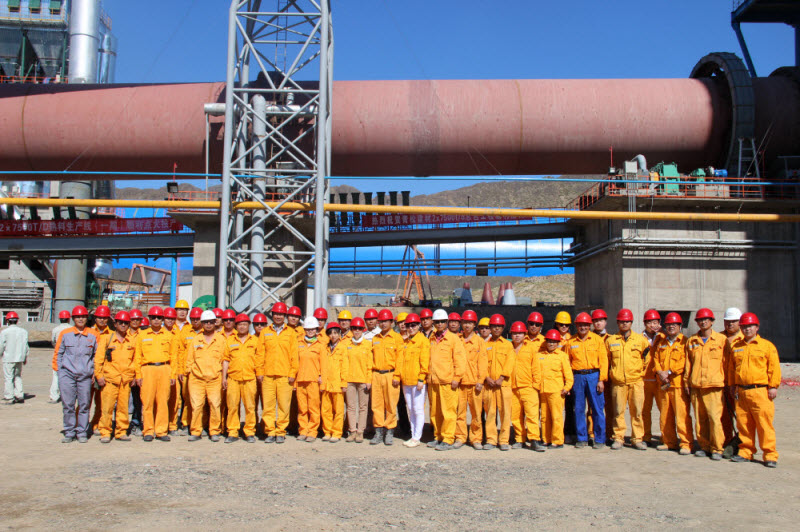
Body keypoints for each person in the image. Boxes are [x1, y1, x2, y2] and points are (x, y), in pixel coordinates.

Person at [726, 313, 781, 468]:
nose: (747, 329)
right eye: (744, 326)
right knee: (744, 424)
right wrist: (732, 385)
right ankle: (746, 452)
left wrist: (773, 386)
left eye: (750, 326)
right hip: (742, 391)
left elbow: (774, 368)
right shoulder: (736, 347)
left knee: (764, 424)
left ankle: (770, 455)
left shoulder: (767, 346)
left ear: (757, 327)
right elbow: (731, 369)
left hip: (760, 391)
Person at [684, 308, 728, 460]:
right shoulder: (692, 341)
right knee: (700, 418)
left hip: (714, 386)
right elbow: (688, 364)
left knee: (714, 418)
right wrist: (687, 382)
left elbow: (726, 362)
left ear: (712, 321)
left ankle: (717, 448)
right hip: (696, 385)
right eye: (700, 320)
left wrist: (727, 382)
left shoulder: (721, 340)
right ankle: (704, 446)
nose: (703, 322)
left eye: (706, 319)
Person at [606, 308, 650, 450]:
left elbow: (647, 360)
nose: (624, 324)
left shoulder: (641, 341)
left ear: (631, 322)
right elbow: (607, 361)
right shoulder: (611, 341)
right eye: (621, 322)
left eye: (627, 321)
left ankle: (637, 439)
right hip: (618, 383)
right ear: (617, 323)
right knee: (618, 412)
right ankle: (618, 438)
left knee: (637, 412)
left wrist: (640, 374)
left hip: (636, 382)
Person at [55, 306, 99, 443]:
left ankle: (81, 432)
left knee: (84, 405)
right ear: (73, 318)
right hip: (67, 374)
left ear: (87, 318)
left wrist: (94, 372)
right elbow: (58, 353)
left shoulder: (93, 334)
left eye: (83, 316)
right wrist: (60, 371)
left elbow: (96, 356)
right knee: (68, 405)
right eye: (78, 317)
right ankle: (69, 432)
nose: (81, 319)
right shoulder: (65, 334)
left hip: (85, 376)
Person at [134, 306, 177, 442]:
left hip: (164, 369)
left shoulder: (169, 336)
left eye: (159, 317)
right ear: (149, 319)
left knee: (163, 401)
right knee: (147, 401)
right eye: (153, 317)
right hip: (147, 370)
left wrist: (173, 375)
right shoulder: (142, 335)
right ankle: (148, 430)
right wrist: (138, 375)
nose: (156, 320)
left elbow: (174, 357)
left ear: (162, 319)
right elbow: (137, 357)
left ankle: (161, 431)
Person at [426, 308, 466, 451]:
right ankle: (438, 436)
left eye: (442, 321)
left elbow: (460, 360)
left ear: (447, 322)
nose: (440, 324)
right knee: (435, 412)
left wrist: (457, 377)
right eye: (437, 322)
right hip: (433, 381)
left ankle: (448, 438)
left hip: (447, 382)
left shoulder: (453, 339)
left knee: (448, 411)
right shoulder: (431, 338)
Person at [566, 312, 607, 449]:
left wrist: (601, 380)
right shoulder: (571, 342)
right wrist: (569, 382)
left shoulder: (597, 340)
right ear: (576, 326)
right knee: (578, 408)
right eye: (580, 325)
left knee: (597, 408)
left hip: (594, 376)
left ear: (590, 326)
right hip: (577, 377)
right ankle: (581, 438)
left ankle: (599, 439)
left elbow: (604, 361)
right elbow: (567, 363)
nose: (583, 327)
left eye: (585, 325)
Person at [652, 313, 692, 455]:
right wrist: (659, 372)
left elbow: (684, 362)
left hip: (678, 385)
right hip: (663, 384)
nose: (671, 327)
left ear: (680, 326)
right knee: (665, 415)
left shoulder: (685, 342)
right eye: (668, 325)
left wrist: (668, 372)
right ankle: (668, 442)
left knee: (682, 416)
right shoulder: (661, 343)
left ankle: (686, 443)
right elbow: (655, 359)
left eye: (674, 324)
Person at [258, 302, 298, 443]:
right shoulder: (265, 332)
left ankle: (280, 431)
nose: (278, 316)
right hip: (268, 375)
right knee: (268, 406)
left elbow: (294, 355)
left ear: (284, 316)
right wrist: (260, 372)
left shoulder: (291, 333)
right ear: (272, 315)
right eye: (276, 314)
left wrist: (292, 373)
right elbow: (260, 354)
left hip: (284, 376)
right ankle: (270, 431)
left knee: (283, 406)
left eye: (281, 314)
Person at [186, 310, 228, 442]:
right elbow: (190, 359)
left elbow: (225, 359)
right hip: (197, 379)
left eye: (211, 322)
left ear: (215, 323)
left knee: (215, 405)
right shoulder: (196, 339)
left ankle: (214, 431)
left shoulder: (221, 340)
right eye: (205, 322)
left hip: (215, 379)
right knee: (197, 406)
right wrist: (189, 373)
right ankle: (196, 431)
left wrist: (224, 377)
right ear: (202, 323)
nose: (208, 324)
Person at [94, 311, 136, 443]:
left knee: (123, 408)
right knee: (107, 408)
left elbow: (135, 360)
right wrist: (99, 375)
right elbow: (98, 359)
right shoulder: (107, 339)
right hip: (110, 380)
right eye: (120, 322)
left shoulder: (131, 341)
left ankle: (121, 431)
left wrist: (133, 375)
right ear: (116, 324)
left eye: (126, 323)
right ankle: (105, 432)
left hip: (125, 380)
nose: (123, 325)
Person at [393, 313, 430, 447]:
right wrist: (398, 376)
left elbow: (425, 361)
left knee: (418, 409)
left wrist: (421, 378)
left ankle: (416, 437)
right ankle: (413, 435)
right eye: (408, 325)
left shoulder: (423, 341)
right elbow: (400, 361)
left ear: (419, 326)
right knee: (410, 408)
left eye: (413, 325)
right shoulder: (406, 342)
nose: (411, 328)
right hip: (406, 381)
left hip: (417, 381)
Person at [223, 313, 260, 443]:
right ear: (236, 326)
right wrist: (224, 378)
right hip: (233, 378)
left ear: (249, 325)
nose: (242, 327)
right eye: (240, 324)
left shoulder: (255, 341)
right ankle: (232, 432)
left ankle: (249, 432)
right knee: (232, 406)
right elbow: (226, 360)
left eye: (244, 324)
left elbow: (259, 359)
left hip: (250, 378)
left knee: (250, 407)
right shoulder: (230, 341)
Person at [454, 310, 487, 450]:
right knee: (459, 412)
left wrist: (480, 381)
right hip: (460, 384)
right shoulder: (457, 340)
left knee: (476, 413)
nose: (467, 325)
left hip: (474, 384)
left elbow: (483, 363)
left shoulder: (479, 342)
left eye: (470, 323)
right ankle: (460, 437)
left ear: (474, 324)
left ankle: (476, 438)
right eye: (465, 322)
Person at [483, 313, 515, 451]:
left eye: (499, 326)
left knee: (505, 413)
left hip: (504, 385)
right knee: (490, 413)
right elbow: (482, 363)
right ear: (490, 327)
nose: (496, 328)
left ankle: (503, 440)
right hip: (489, 385)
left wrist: (502, 378)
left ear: (503, 328)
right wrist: (487, 378)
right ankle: (491, 439)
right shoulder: (485, 345)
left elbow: (510, 363)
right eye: (494, 326)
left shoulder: (508, 345)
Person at [509, 321, 543, 451]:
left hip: (528, 387)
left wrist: (535, 386)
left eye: (520, 333)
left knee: (532, 414)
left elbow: (536, 368)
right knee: (515, 415)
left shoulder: (531, 349)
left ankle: (534, 439)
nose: (517, 336)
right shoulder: (508, 348)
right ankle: (519, 439)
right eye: (514, 333)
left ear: (525, 335)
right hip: (513, 388)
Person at [537, 329, 574, 448]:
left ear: (558, 343)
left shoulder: (562, 356)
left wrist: (567, 388)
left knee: (556, 416)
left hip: (556, 391)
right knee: (544, 417)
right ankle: (546, 439)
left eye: (554, 342)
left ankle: (557, 440)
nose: (551, 344)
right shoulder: (540, 355)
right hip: (543, 390)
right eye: (549, 341)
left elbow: (568, 375)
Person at [295, 317, 325, 442]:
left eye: (312, 329)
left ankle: (312, 432)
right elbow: (295, 362)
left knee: (313, 408)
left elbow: (323, 364)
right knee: (302, 408)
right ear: (305, 330)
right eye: (308, 329)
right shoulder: (299, 344)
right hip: (300, 380)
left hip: (313, 381)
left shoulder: (320, 346)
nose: (310, 331)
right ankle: (303, 430)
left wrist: (321, 378)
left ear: (316, 330)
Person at [344, 317, 372, 442]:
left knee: (363, 407)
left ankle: (360, 431)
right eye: (354, 328)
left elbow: (369, 365)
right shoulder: (347, 344)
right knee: (350, 407)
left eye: (359, 328)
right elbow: (344, 363)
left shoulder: (367, 345)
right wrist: (344, 380)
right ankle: (352, 431)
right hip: (349, 380)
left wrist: (368, 380)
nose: (356, 331)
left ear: (362, 330)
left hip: (363, 380)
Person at [177, 307, 204, 434]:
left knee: (202, 401)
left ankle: (202, 423)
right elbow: (180, 352)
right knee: (187, 399)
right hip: (188, 372)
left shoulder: (207, 333)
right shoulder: (185, 332)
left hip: (202, 371)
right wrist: (181, 371)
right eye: (193, 319)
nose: (195, 321)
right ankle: (186, 422)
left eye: (198, 319)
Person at [321, 322, 348, 442]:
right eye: (331, 333)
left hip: (337, 384)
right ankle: (327, 432)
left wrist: (344, 383)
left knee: (338, 410)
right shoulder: (325, 348)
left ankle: (336, 433)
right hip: (326, 384)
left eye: (336, 333)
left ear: (339, 334)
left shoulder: (342, 348)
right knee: (325, 410)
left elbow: (345, 367)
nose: (333, 335)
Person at [720, 307, 743, 446]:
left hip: (739, 385)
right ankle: (726, 442)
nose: (730, 324)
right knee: (724, 416)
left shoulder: (745, 339)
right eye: (727, 321)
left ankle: (743, 444)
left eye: (734, 321)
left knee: (742, 416)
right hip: (721, 383)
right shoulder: (718, 338)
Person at [592, 308, 614, 443]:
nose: (598, 323)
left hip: (609, 378)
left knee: (609, 408)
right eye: (595, 321)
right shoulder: (589, 338)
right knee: (592, 408)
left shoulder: (611, 339)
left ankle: (610, 434)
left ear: (605, 322)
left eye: (600, 320)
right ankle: (592, 434)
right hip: (594, 377)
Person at [554, 311, 575, 443]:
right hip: (555, 377)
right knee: (553, 408)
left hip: (568, 376)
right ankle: (553, 433)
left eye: (566, 325)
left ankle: (569, 432)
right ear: (556, 324)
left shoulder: (572, 340)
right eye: (561, 324)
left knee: (569, 407)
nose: (563, 327)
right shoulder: (551, 339)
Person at [641, 309, 661, 446]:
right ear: (645, 323)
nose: (652, 325)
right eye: (649, 322)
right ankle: (645, 436)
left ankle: (666, 437)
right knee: (644, 411)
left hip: (660, 380)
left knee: (664, 411)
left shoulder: (663, 338)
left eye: (655, 322)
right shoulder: (638, 339)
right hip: (645, 380)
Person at [1, 311, 29, 405]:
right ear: (17, 320)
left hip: (8, 358)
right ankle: (19, 395)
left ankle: (9, 397)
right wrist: (25, 357)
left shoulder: (5, 332)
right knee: (18, 376)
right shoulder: (23, 332)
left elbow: (1, 345)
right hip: (19, 358)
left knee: (9, 378)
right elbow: (26, 346)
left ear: (7, 320)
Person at [127, 308, 144, 436]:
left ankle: (136, 422)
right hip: (124, 372)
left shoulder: (143, 335)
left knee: (138, 400)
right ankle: (120, 424)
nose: (135, 321)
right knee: (120, 401)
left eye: (137, 319)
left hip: (138, 372)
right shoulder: (123, 334)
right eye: (133, 319)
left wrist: (137, 374)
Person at [49, 310, 72, 403]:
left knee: (56, 375)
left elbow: (53, 342)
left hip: (58, 353)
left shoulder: (55, 329)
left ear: (60, 319)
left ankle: (54, 396)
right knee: (70, 376)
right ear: (69, 319)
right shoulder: (72, 328)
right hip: (70, 354)